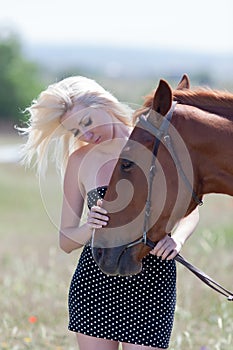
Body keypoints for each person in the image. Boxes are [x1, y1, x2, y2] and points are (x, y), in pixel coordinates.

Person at [20, 76, 199, 350]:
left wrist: (178, 239)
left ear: (105, 104)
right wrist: (89, 226)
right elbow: (66, 241)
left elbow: (190, 210)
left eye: (87, 122)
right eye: (76, 132)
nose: (86, 135)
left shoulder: (154, 144)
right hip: (96, 282)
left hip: (152, 280)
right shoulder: (79, 162)